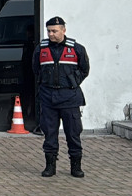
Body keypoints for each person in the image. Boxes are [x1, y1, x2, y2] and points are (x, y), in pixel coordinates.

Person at [32, 17, 91, 178]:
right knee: (49, 133)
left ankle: (76, 166)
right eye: (49, 31)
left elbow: (84, 69)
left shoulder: (77, 49)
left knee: (73, 133)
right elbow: (36, 69)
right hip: (48, 97)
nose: (51, 34)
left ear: (63, 30)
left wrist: (73, 82)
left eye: (54, 31)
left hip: (69, 97)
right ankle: (50, 166)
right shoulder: (41, 49)